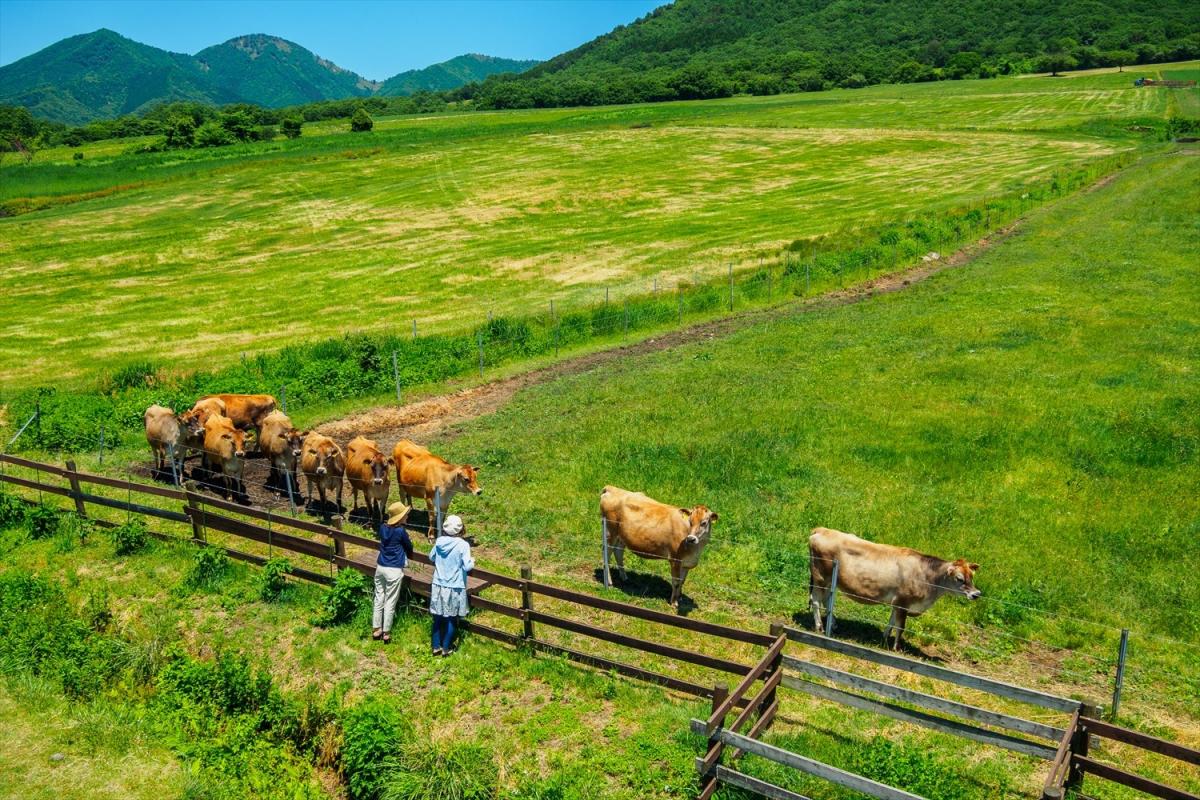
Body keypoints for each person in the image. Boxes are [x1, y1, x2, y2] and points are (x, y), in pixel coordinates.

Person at [429, 514, 474, 656]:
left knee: (437, 616)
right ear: (461, 529)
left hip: (438, 583)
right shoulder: (463, 545)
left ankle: (436, 646)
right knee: (451, 617)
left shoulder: (440, 541)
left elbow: (431, 557)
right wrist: (473, 560)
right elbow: (467, 566)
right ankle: (447, 648)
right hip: (455, 585)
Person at [373, 501, 414, 645]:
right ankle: (386, 631)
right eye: (405, 515)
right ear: (400, 518)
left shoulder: (383, 528)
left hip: (380, 566)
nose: (407, 517)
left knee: (379, 597)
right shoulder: (400, 531)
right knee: (390, 600)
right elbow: (409, 547)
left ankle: (376, 628)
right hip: (394, 569)